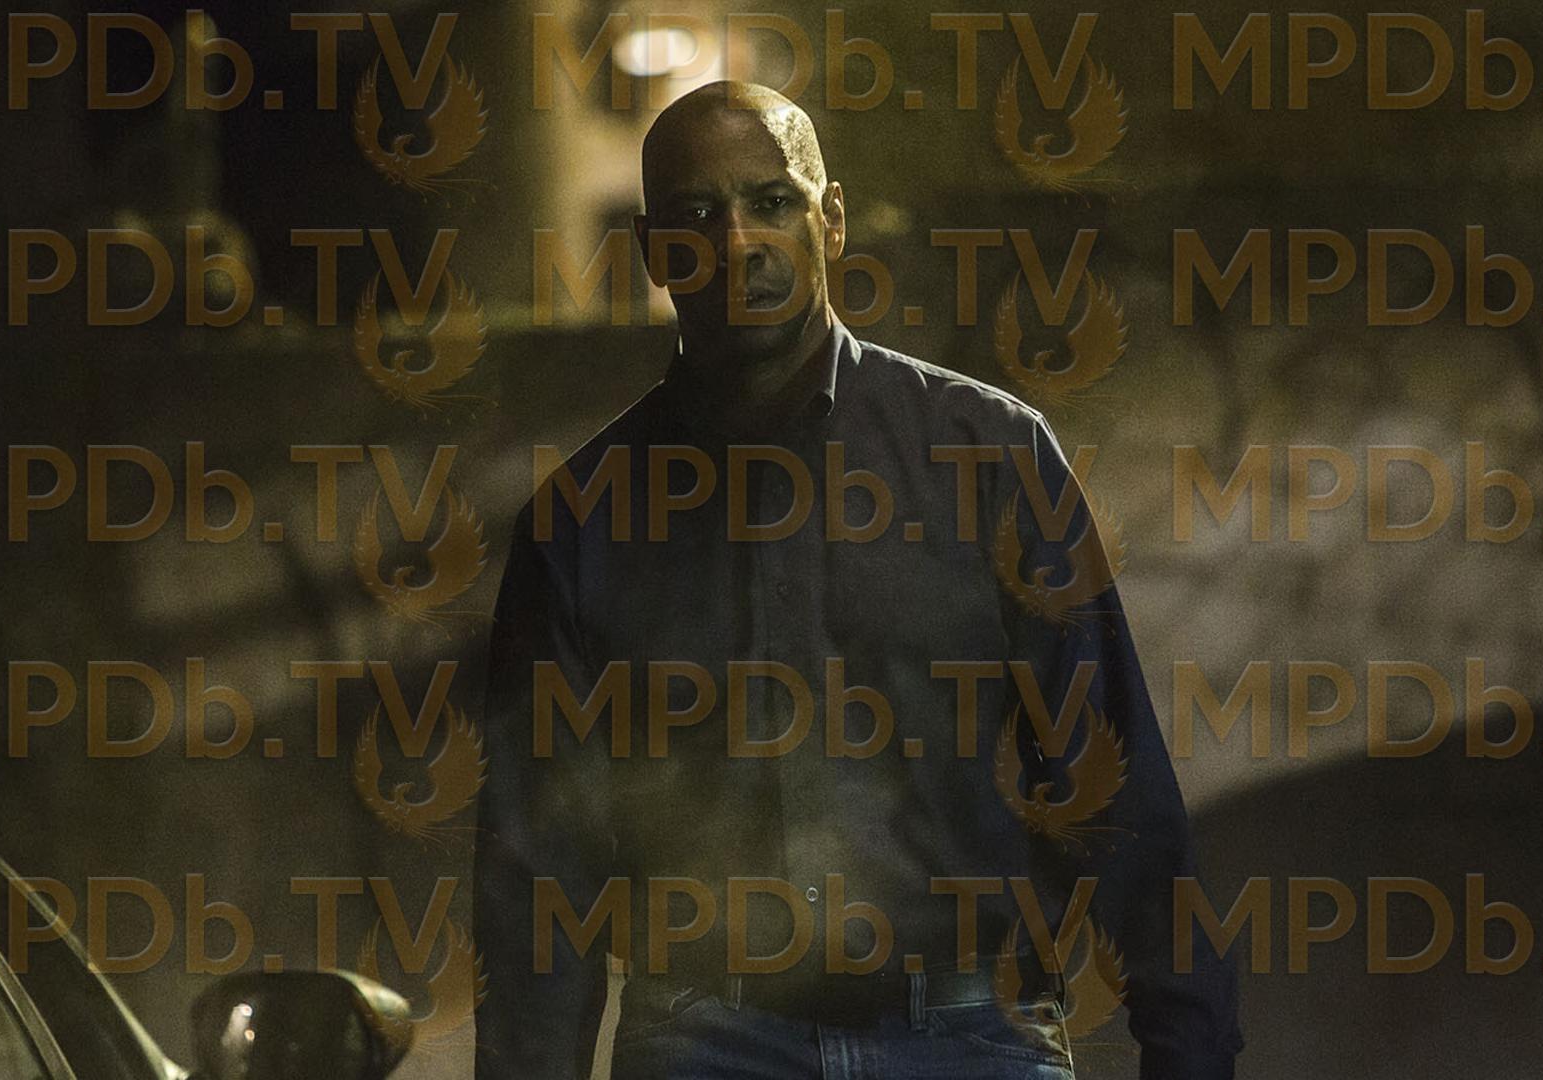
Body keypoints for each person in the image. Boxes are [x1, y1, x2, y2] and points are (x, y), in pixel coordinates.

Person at [474, 81, 1240, 1080]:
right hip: (708, 1041)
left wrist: (1189, 1051)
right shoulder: (581, 522)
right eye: (697, 215)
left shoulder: (989, 457)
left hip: (971, 1034)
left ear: (830, 220)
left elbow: (1117, 785)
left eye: (772, 201)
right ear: (655, 251)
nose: (738, 242)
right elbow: (538, 876)